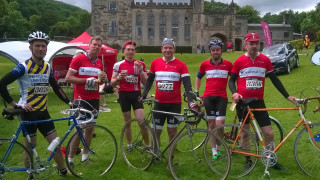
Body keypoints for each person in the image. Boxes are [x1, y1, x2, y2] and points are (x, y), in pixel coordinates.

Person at [0, 31, 72, 177]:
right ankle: (30, 175)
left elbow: (56, 87)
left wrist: (68, 102)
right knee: (30, 147)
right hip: (28, 113)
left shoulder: (47, 67)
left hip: (43, 112)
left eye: (43, 46)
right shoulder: (23, 67)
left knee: (55, 143)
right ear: (31, 48)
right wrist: (14, 105)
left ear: (46, 48)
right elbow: (2, 83)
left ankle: (63, 170)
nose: (40, 49)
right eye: (37, 46)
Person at [228, 32, 296, 171]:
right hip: (243, 103)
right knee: (245, 133)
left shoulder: (265, 60)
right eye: (251, 43)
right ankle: (248, 160)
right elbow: (231, 81)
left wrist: (287, 96)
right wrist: (234, 92)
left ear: (259, 44)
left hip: (259, 101)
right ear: (245, 45)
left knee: (269, 133)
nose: (254, 46)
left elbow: (275, 80)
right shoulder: (239, 61)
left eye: (256, 43)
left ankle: (271, 159)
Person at [139, 38, 200, 153]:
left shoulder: (181, 65)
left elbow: (187, 84)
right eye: (165, 48)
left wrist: (191, 101)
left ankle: (170, 159)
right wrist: (144, 93)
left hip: (174, 104)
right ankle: (155, 154)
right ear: (162, 49)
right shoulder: (155, 63)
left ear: (174, 49)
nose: (168, 50)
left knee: (172, 132)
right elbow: (150, 81)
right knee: (156, 131)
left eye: (170, 48)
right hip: (159, 104)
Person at [65, 35, 106, 166]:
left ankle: (84, 156)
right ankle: (70, 159)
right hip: (80, 99)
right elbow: (68, 78)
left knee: (90, 129)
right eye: (94, 44)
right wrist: (86, 81)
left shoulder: (99, 62)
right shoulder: (79, 59)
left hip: (94, 99)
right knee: (79, 130)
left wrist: (102, 81)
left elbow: (99, 81)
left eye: (99, 45)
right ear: (89, 45)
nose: (96, 47)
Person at [194, 39, 233, 160]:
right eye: (213, 50)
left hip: (222, 97)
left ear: (221, 51)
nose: (215, 52)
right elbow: (198, 77)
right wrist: (196, 91)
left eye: (218, 50)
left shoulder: (228, 64)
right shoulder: (205, 64)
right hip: (208, 97)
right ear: (210, 52)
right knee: (211, 125)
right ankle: (214, 151)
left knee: (220, 124)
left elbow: (233, 79)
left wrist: (236, 92)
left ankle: (219, 146)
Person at [110, 41, 149, 152]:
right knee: (127, 121)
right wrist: (118, 78)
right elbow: (112, 83)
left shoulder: (140, 64)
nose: (130, 52)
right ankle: (129, 145)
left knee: (141, 121)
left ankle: (147, 145)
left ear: (135, 52)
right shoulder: (118, 65)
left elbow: (145, 82)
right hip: (124, 95)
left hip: (136, 94)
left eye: (132, 50)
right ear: (124, 51)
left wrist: (141, 71)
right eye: (128, 49)